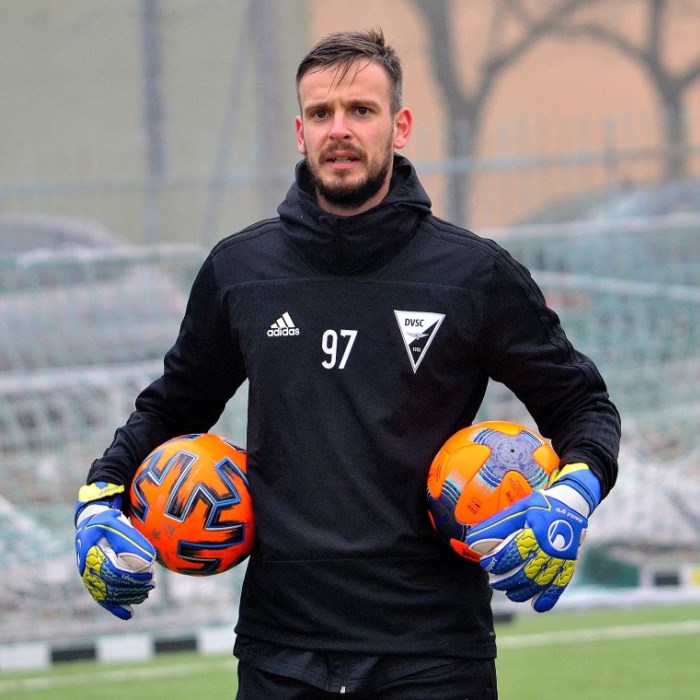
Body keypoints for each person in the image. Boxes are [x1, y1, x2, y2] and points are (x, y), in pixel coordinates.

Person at [74, 29, 621, 699]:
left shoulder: (472, 275)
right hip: (282, 653)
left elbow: (582, 407)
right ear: (300, 132)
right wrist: (100, 494)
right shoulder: (241, 271)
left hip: (433, 655)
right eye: (321, 113)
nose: (340, 129)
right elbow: (173, 404)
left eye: (361, 110)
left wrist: (571, 497)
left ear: (400, 125)